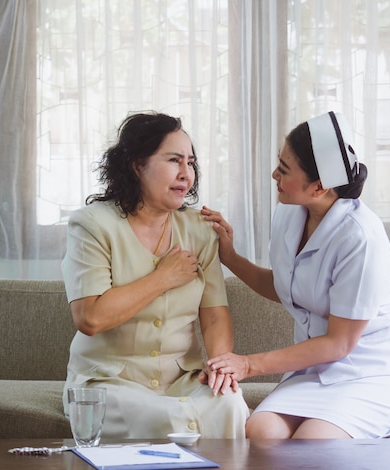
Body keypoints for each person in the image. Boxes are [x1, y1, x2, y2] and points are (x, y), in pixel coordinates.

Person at [201, 111, 390, 439]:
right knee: (261, 432)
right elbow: (286, 287)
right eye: (279, 162)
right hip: (315, 369)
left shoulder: (360, 237)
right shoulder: (289, 213)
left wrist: (247, 364)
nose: (274, 174)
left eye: (284, 169)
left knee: (314, 441)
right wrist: (230, 257)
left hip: (373, 369)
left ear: (319, 186)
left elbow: (339, 342)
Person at [61, 111, 249, 440]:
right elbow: (90, 318)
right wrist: (163, 278)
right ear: (137, 165)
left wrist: (220, 365)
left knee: (230, 404)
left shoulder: (200, 230)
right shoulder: (92, 225)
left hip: (181, 380)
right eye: (174, 160)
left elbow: (215, 314)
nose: (186, 174)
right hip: (108, 381)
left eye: (190, 163)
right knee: (172, 419)